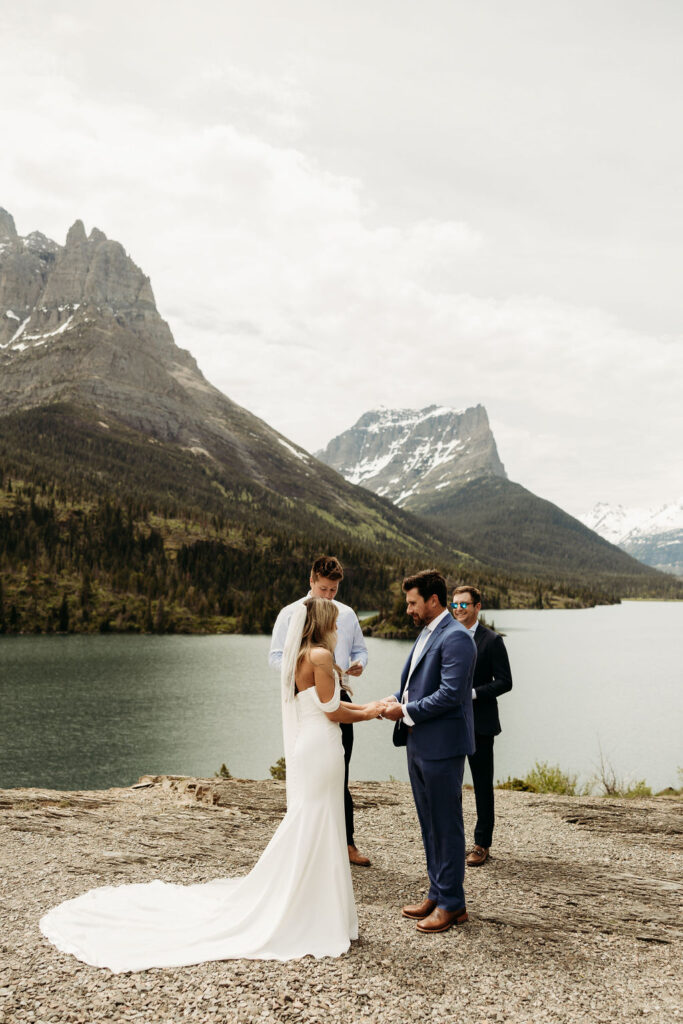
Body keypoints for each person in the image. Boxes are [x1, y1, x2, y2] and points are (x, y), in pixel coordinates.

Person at [39, 599, 387, 972]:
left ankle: (313, 902)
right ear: (323, 623)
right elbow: (333, 710)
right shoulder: (319, 656)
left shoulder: (304, 653)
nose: (337, 628)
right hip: (321, 747)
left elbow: (328, 706)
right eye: (333, 621)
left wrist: (370, 708)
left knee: (317, 819)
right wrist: (374, 710)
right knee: (318, 820)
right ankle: (311, 909)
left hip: (315, 744)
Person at [381, 569, 476, 934]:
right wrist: (398, 698)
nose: (408, 609)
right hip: (418, 742)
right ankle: (438, 892)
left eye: (412, 602)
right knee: (428, 822)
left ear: (433, 600)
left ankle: (453, 903)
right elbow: (418, 684)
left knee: (446, 824)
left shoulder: (457, 638)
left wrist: (405, 711)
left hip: (442, 746)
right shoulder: (427, 633)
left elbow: (451, 694)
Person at [269, 555, 371, 867]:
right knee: (316, 774)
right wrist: (305, 675)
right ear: (312, 580)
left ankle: (345, 842)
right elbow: (276, 656)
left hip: (339, 692)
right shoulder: (291, 614)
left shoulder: (348, 614)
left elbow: (361, 650)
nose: (328, 596)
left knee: (339, 772)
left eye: (334, 590)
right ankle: (316, 846)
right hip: (308, 701)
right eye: (324, 589)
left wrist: (358, 665)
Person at [451, 585, 513, 867]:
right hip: (450, 723)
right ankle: (453, 841)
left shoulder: (492, 641)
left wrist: (473, 693)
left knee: (482, 786)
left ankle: (481, 844)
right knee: (450, 784)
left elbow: (505, 682)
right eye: (455, 605)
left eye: (464, 605)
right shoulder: (447, 637)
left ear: (477, 607)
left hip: (481, 724)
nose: (459, 609)